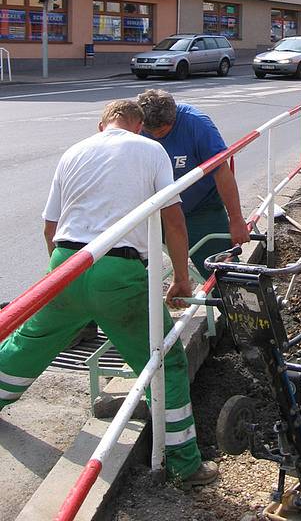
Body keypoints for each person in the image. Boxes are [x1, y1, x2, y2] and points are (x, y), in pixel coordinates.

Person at [0, 100, 218, 488]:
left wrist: (65, 275)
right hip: (119, 268)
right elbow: (172, 220)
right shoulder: (151, 149)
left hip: (68, 261)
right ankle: (184, 465)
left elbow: (50, 227)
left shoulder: (74, 151)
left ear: (102, 124)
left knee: (28, 342)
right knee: (164, 362)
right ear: (138, 126)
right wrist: (182, 279)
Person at [136, 90, 250, 277]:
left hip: (200, 209)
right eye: (150, 133)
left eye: (162, 132)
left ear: (173, 119)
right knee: (127, 266)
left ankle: (240, 303)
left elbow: (221, 171)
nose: (156, 137)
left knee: (222, 272)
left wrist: (236, 219)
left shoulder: (196, 123)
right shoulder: (135, 125)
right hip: (154, 211)